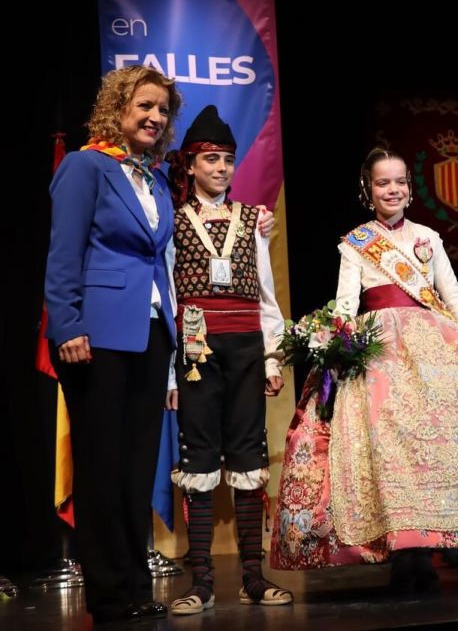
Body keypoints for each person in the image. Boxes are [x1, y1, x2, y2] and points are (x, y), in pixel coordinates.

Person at [271, 148, 458, 591]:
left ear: (410, 188)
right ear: (368, 190)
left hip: (437, 344)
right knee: (394, 445)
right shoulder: (356, 243)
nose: (393, 189)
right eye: (383, 183)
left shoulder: (428, 237)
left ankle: (442, 536)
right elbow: (346, 305)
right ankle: (405, 549)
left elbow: (453, 296)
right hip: (381, 349)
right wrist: (337, 348)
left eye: (399, 181)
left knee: (438, 443)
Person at [44, 65, 181, 623]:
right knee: (102, 467)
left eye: (163, 110)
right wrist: (67, 325)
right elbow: (63, 252)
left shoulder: (156, 178)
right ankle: (107, 594)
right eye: (144, 106)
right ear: (118, 108)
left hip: (151, 333)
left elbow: (158, 258)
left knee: (136, 468)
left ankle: (135, 586)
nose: (155, 117)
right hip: (96, 335)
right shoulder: (85, 166)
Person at [162, 106, 291, 614]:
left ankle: (253, 578)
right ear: (191, 165)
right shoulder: (175, 221)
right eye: (211, 159)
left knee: (248, 455)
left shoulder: (253, 219)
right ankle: (201, 582)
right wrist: (169, 374)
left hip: (245, 348)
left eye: (228, 160)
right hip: (197, 348)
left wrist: (273, 358)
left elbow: (266, 294)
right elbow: (171, 296)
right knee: (198, 457)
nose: (221, 168)